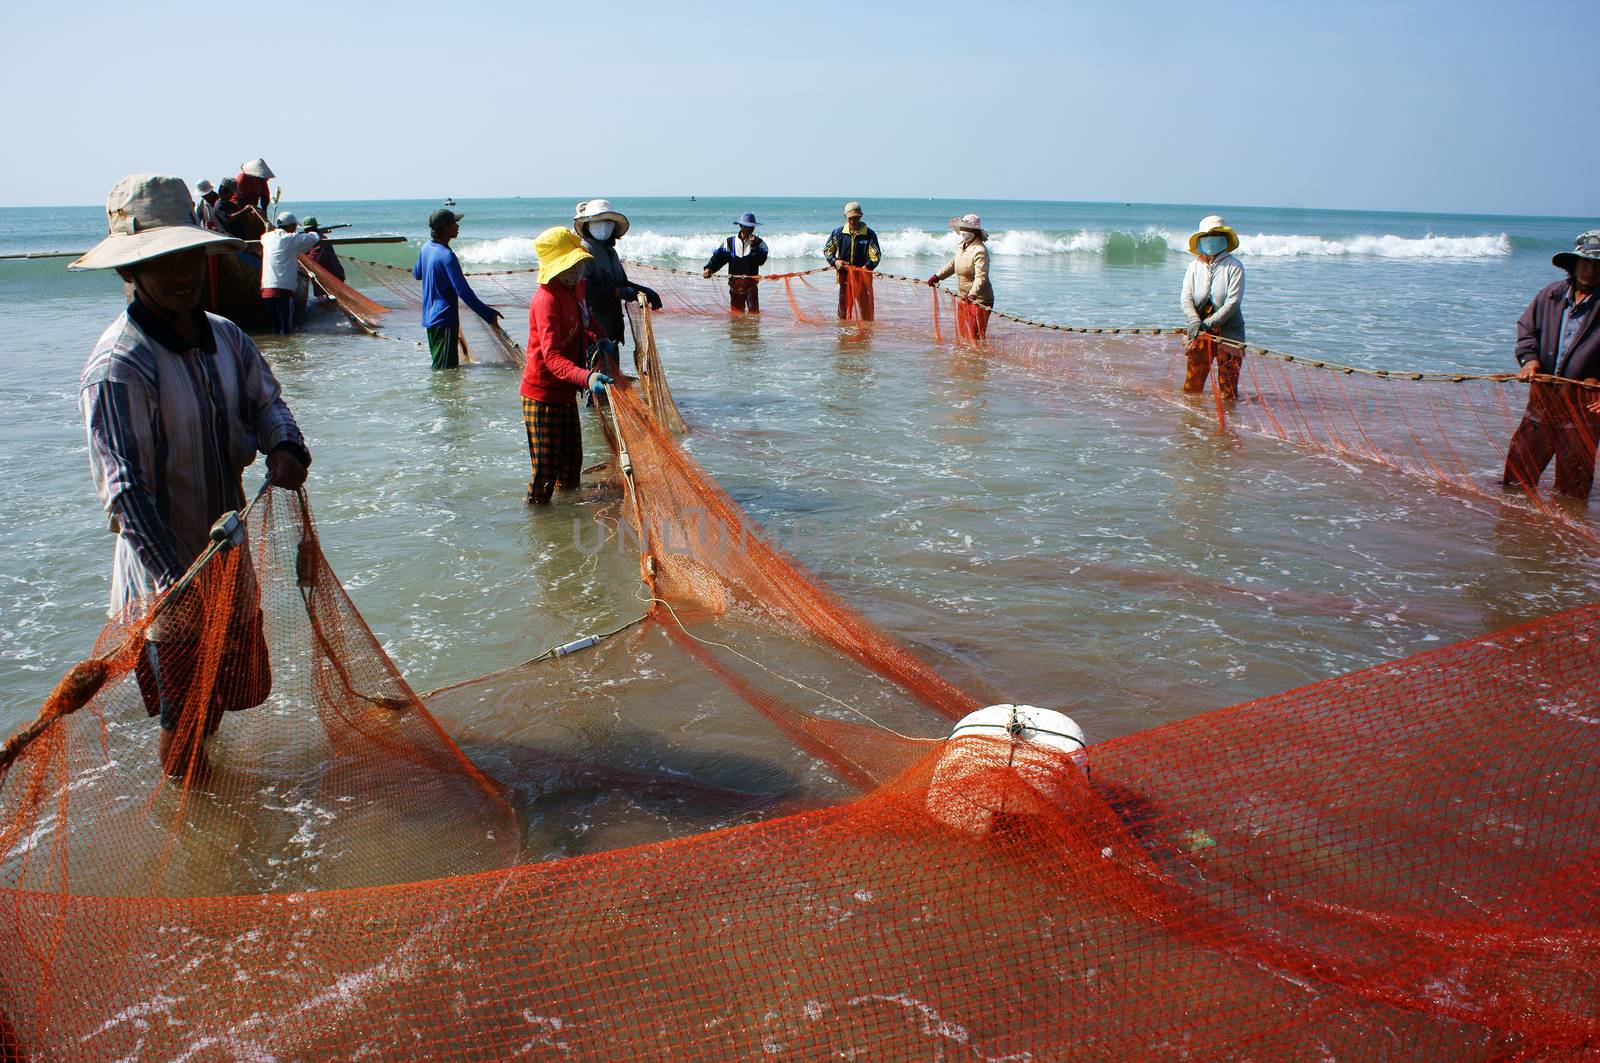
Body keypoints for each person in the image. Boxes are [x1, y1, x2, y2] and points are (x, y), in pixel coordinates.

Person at [70, 173, 311, 778]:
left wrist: (284, 445)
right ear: (130, 271)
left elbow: (266, 403)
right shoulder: (119, 367)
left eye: (188, 256)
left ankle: (210, 821)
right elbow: (126, 492)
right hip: (168, 578)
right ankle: (190, 800)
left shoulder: (226, 336)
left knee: (227, 691)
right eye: (159, 261)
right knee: (183, 711)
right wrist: (181, 581)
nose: (180, 273)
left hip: (227, 558)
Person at [1502, 230, 1600, 499]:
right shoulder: (1551, 296)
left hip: (1586, 406)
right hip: (1542, 400)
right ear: (1574, 263)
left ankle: (1562, 538)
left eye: (1597, 264)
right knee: (1516, 479)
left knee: (1572, 491)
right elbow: (1526, 330)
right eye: (1585, 262)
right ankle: (1514, 532)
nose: (1590, 269)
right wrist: (1529, 360)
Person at [522, 227, 614, 504]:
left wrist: (601, 336)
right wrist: (585, 378)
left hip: (565, 391)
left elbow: (586, 318)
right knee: (544, 473)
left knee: (572, 466)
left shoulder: (576, 288)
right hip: (542, 395)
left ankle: (565, 522)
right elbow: (550, 358)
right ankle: (539, 526)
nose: (576, 272)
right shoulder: (546, 301)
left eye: (578, 265)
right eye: (569, 267)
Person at [412, 207, 503, 370]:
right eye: (455, 223)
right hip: (444, 320)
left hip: (429, 319)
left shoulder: (426, 248)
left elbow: (417, 274)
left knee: (441, 368)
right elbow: (463, 292)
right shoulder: (447, 256)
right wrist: (488, 314)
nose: (458, 227)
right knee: (445, 371)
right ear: (445, 227)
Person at [575, 199, 661, 345]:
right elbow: (583, 293)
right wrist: (617, 292)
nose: (603, 226)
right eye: (597, 221)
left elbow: (622, 283)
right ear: (587, 225)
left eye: (608, 222)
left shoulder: (611, 252)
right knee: (595, 367)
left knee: (611, 365)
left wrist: (644, 291)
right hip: (592, 330)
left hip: (612, 327)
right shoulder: (583, 251)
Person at [1180, 214, 1246, 399]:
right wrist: (1194, 320)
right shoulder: (1194, 267)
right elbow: (1185, 297)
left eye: (1215, 234)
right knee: (1192, 386)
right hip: (1199, 332)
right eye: (1207, 235)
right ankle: (1193, 425)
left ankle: (1227, 426)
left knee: (1228, 391)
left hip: (1230, 332)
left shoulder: (1234, 266)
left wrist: (1208, 323)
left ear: (1224, 238)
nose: (1211, 239)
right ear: (1200, 240)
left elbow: (1233, 302)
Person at [926, 213, 994, 341]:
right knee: (964, 333)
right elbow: (953, 264)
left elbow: (981, 277)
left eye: (967, 228)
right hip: (963, 297)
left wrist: (973, 294)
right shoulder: (960, 246)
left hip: (979, 299)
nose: (963, 231)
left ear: (975, 231)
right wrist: (937, 276)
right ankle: (965, 360)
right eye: (962, 228)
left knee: (975, 336)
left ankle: (979, 360)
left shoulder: (980, 250)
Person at [259, 212, 322, 335]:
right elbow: (313, 238)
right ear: (291, 226)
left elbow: (269, 238)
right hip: (283, 290)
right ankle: (287, 352)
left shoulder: (266, 238)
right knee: (287, 329)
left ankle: (277, 351)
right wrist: (313, 231)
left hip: (266, 290)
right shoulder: (290, 239)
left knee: (276, 328)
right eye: (294, 226)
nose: (295, 229)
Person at [823, 201, 881, 321]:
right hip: (845, 279)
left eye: (856, 218)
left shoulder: (870, 234)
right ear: (846, 217)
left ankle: (866, 336)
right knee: (843, 314)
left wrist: (867, 267)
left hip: (863, 280)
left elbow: (876, 255)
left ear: (861, 216)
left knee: (867, 315)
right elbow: (827, 251)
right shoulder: (838, 233)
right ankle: (844, 336)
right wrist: (835, 262)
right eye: (850, 218)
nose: (853, 221)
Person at [702, 212, 769, 313]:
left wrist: (754, 246)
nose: (749, 229)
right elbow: (718, 259)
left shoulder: (760, 244)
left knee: (754, 316)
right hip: (734, 287)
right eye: (746, 226)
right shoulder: (729, 243)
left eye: (751, 227)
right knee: (736, 317)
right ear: (740, 226)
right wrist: (709, 269)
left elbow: (760, 261)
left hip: (751, 287)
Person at [300, 216, 346, 280]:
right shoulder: (316, 238)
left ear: (306, 230)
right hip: (321, 274)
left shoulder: (321, 240)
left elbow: (313, 256)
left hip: (332, 274)